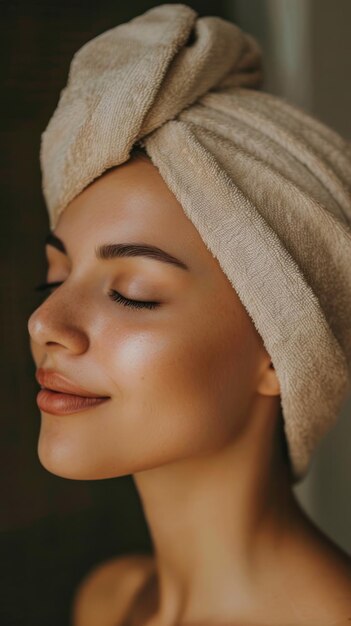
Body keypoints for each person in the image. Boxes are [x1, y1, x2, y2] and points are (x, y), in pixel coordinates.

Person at [28, 4, 351, 625]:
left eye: (133, 292)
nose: (45, 323)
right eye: (56, 277)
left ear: (281, 354)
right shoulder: (109, 601)